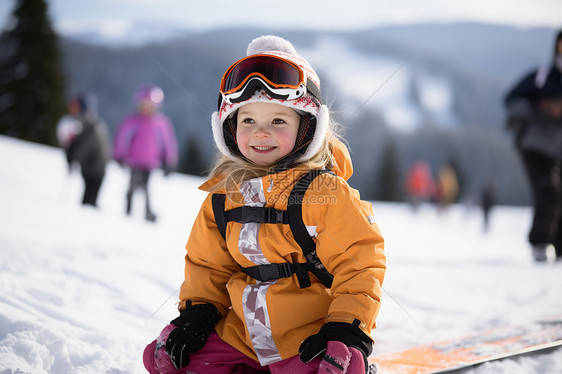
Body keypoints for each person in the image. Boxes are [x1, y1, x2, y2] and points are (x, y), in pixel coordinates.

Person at [143, 35, 386, 374]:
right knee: (169, 358)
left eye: (278, 121)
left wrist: (346, 327)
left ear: (306, 129)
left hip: (305, 337)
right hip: (242, 336)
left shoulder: (323, 193)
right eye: (248, 121)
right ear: (230, 129)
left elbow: (359, 264)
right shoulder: (222, 198)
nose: (260, 133)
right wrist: (198, 312)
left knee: (330, 369)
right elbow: (207, 266)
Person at [504, 30, 562, 262]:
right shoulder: (542, 77)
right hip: (534, 144)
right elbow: (511, 101)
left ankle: (558, 248)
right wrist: (542, 108)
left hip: (558, 150)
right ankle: (540, 244)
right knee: (549, 190)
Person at [113, 84, 178, 222]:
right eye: (143, 105)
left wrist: (169, 161)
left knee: (147, 189)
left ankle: (148, 213)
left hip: (150, 163)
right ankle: (128, 211)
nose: (146, 108)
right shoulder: (132, 122)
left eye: (149, 106)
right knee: (132, 187)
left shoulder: (161, 124)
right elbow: (122, 139)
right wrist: (119, 155)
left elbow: (168, 144)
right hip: (134, 161)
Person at [58, 93, 111, 207]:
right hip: (91, 167)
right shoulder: (85, 123)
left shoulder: (89, 125)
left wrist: (74, 157)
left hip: (95, 169)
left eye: (75, 107)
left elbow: (85, 146)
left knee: (89, 201)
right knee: (88, 199)